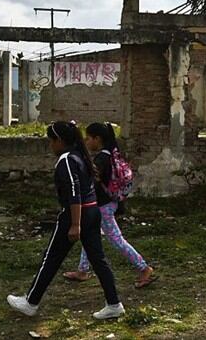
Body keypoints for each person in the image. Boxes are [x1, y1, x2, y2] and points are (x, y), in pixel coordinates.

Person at [7, 121, 125, 320]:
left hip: (76, 214)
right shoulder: (81, 156)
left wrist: (75, 224)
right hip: (92, 211)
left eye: (51, 141)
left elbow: (74, 193)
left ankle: (30, 302)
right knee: (98, 259)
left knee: (51, 258)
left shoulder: (67, 160)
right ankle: (114, 303)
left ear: (59, 141)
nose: (50, 146)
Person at [62, 122, 158, 289]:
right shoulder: (112, 154)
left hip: (103, 206)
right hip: (109, 202)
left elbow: (89, 179)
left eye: (88, 138)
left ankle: (144, 268)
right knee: (89, 235)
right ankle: (82, 270)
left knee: (116, 239)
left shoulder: (102, 159)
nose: (87, 141)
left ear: (97, 139)